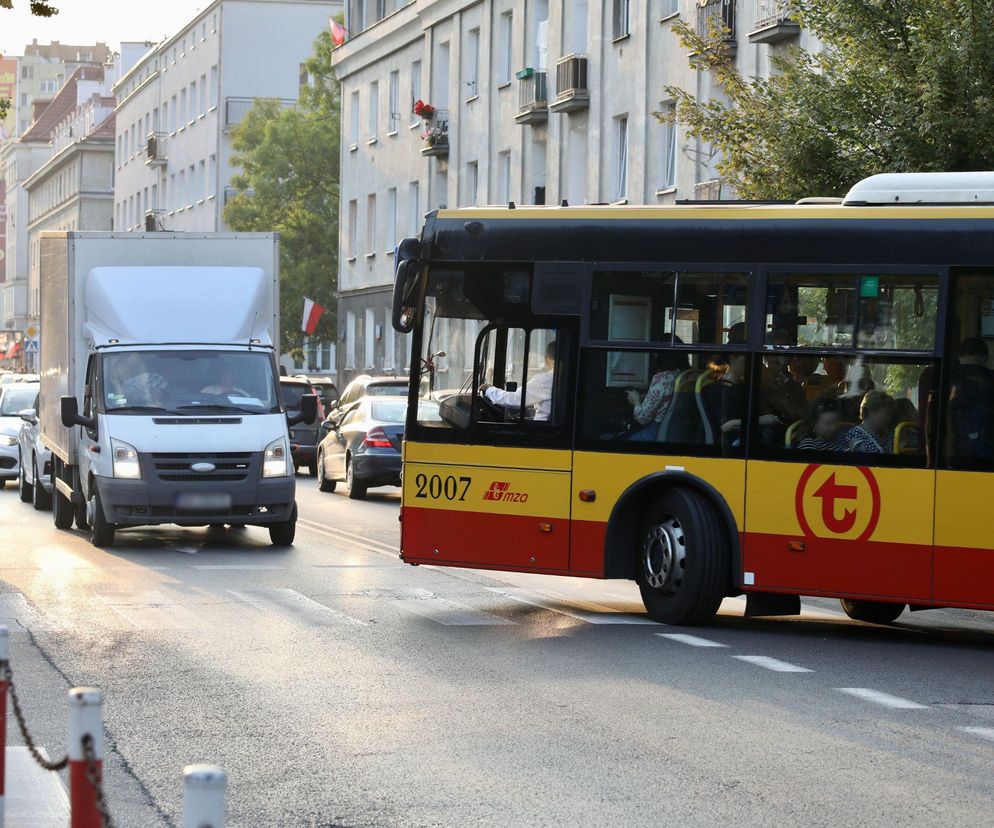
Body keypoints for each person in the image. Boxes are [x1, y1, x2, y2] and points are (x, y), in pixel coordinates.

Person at [624, 345, 688, 441]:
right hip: (675, 428)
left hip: (657, 429)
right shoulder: (681, 375)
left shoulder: (661, 379)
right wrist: (645, 397)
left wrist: (635, 401)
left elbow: (642, 418)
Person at [482, 340, 557, 422]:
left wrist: (489, 389)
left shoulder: (545, 380)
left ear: (548, 359)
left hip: (541, 431)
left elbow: (514, 399)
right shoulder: (565, 380)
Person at [947, 337, 994, 462]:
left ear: (959, 357)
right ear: (984, 356)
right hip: (988, 453)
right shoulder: (991, 379)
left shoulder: (947, 379)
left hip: (957, 452)